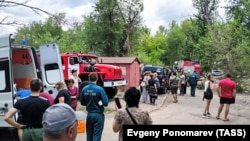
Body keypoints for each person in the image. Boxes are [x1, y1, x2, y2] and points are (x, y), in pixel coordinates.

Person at [80, 72, 109, 141]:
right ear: (97, 78)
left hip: (89, 114)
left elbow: (82, 102)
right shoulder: (100, 89)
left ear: (88, 79)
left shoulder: (84, 89)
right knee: (96, 135)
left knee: (89, 135)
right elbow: (105, 103)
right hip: (98, 114)